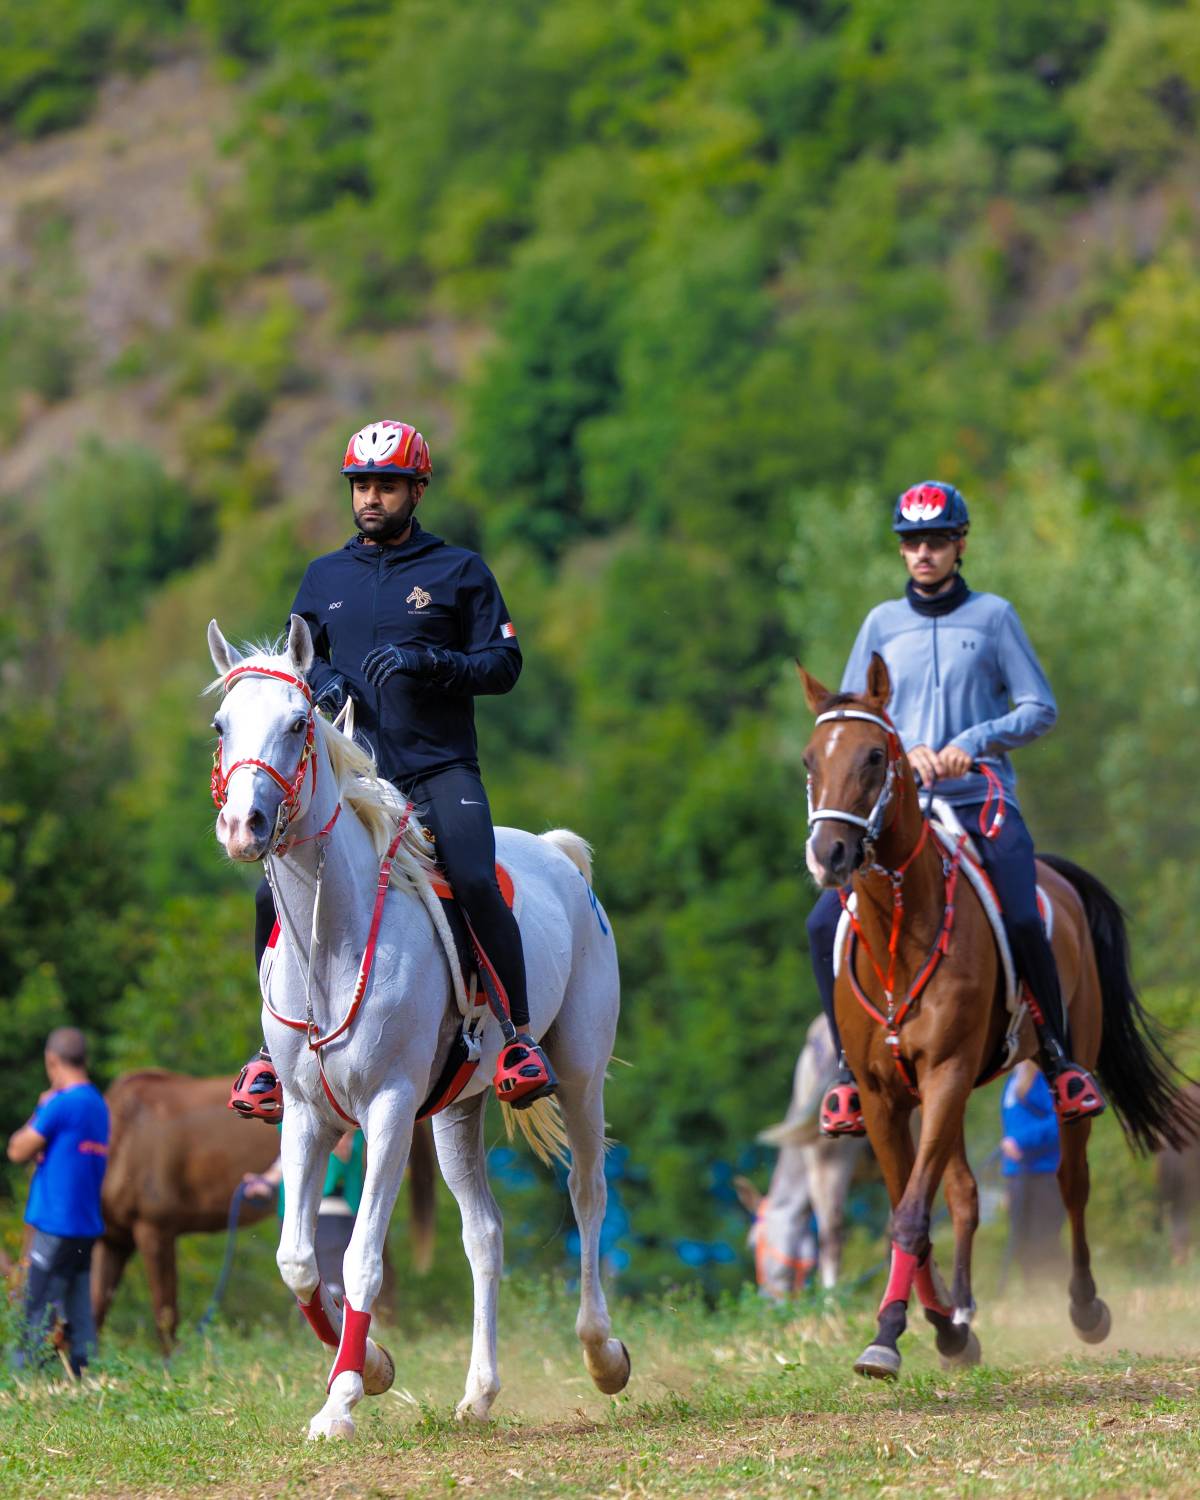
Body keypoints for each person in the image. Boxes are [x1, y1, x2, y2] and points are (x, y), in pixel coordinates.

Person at [230, 419, 554, 1118]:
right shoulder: (323, 577)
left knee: (474, 877)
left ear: (418, 490)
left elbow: (504, 665)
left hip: (439, 769)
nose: (371, 498)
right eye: (362, 485)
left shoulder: (460, 571)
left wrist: (430, 661)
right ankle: (270, 1055)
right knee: (269, 894)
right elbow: (297, 666)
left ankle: (519, 1040)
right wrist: (324, 686)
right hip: (353, 783)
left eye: (387, 486)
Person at [807, 481, 1105, 1137]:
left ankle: (1060, 1060)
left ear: (960, 544)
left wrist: (972, 743)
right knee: (823, 920)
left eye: (937, 540)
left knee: (1023, 913)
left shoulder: (994, 617)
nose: (924, 553)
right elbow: (853, 718)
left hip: (979, 800)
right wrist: (905, 748)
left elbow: (1039, 707)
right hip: (900, 812)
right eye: (913, 541)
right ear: (902, 549)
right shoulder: (881, 624)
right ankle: (849, 1074)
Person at [7, 1027, 109, 1378]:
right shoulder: (97, 1104)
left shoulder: (61, 1104)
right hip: (86, 1224)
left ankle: (24, 1380)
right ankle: (84, 1372)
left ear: (52, 1060)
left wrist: (41, 1107)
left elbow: (17, 1149)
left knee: (34, 1307)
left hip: (55, 1223)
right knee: (78, 1306)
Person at [244, 1130, 364, 1302]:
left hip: (333, 1211)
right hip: (294, 1214)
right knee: (303, 1288)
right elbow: (292, 1151)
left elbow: (341, 1146)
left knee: (335, 1290)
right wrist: (268, 1180)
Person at [998, 1059, 1065, 1289]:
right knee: (1021, 1241)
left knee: (1043, 1239)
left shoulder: (1041, 1080)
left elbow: (1059, 1119)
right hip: (1017, 1175)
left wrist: (1022, 1141)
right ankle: (1033, 1295)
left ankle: (1064, 1290)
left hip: (1044, 1174)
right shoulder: (1011, 1080)